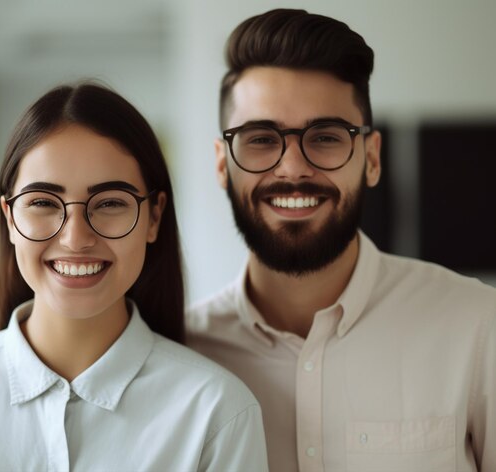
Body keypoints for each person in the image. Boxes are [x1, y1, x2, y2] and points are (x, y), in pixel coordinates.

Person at [0, 82, 268, 471]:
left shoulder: (217, 412)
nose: (76, 238)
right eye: (43, 202)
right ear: (10, 218)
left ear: (154, 217)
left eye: (111, 202)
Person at [186, 8, 496, 472]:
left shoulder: (477, 327)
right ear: (221, 163)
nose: (292, 168)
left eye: (326, 137)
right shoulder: (188, 352)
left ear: (371, 158)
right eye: (261, 139)